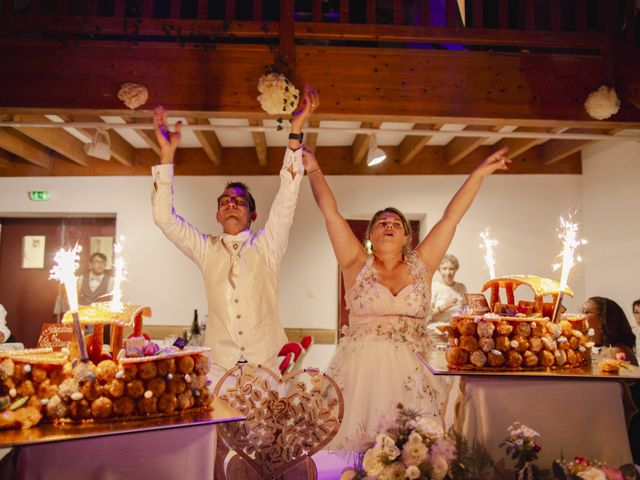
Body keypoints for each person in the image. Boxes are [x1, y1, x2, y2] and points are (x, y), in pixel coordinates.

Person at [151, 87, 318, 479]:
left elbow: (288, 196)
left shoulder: (268, 246)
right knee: (220, 451)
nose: (230, 204)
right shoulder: (205, 249)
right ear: (216, 213)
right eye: (225, 200)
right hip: (221, 368)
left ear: (252, 214)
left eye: (239, 201)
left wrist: (296, 130)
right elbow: (165, 219)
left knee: (273, 449)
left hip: (268, 366)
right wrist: (166, 157)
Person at [301, 144, 511, 449]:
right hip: (361, 373)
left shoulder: (422, 266)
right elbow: (330, 213)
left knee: (416, 449)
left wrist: (478, 174)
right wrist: (313, 169)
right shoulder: (355, 263)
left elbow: (451, 218)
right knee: (355, 449)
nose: (389, 226)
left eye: (396, 224)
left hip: (413, 370)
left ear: (406, 237)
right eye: (382, 223)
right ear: (370, 236)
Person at [581, 296, 638, 365]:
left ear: (602, 320)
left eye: (585, 312)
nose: (579, 316)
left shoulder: (614, 352)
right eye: (580, 311)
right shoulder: (592, 347)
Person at [429, 253, 468, 346]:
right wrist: (445, 306)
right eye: (444, 268)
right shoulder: (434, 287)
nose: (448, 272)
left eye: (451, 268)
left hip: (457, 334)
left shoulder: (461, 287)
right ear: (439, 270)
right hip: (438, 335)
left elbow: (467, 310)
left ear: (455, 270)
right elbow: (427, 315)